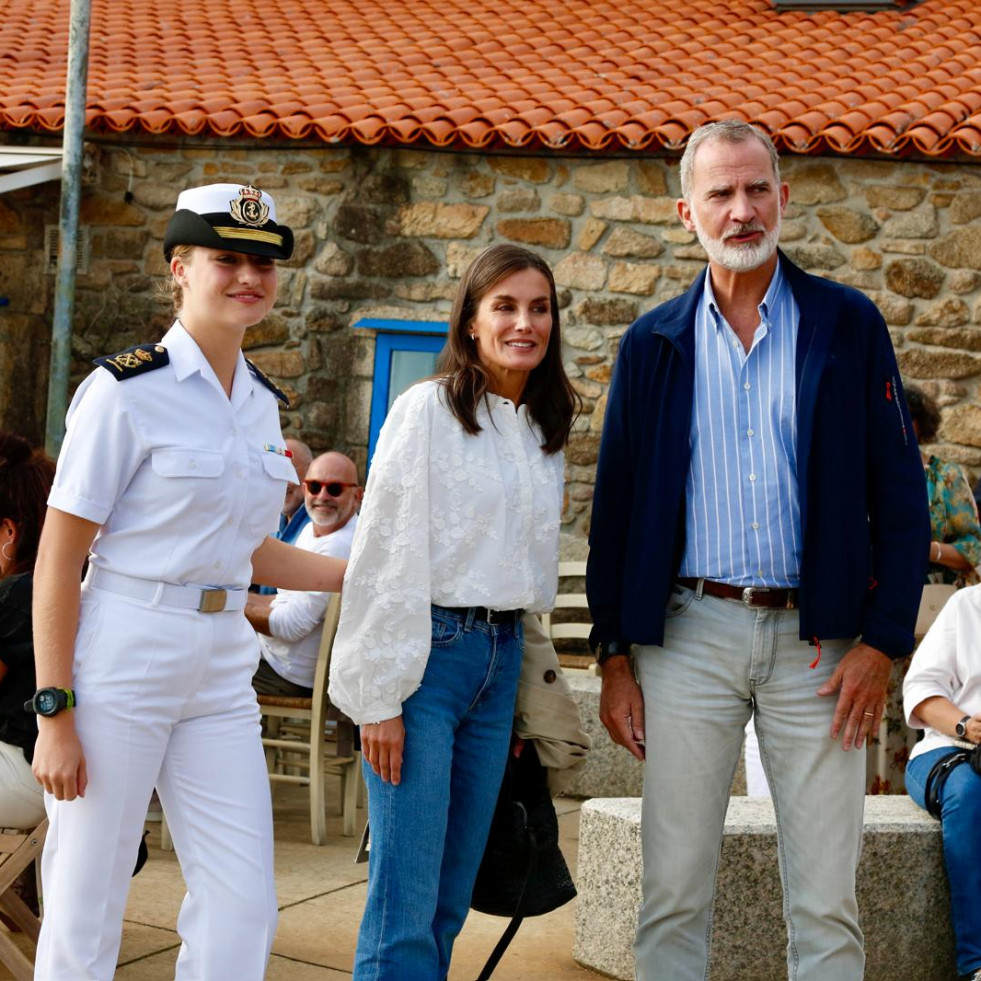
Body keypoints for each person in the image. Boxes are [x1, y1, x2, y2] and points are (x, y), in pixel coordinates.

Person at [587, 120, 929, 981]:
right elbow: (615, 510)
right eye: (719, 195)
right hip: (686, 638)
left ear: (782, 196)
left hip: (820, 649)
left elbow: (898, 493)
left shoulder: (847, 324)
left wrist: (882, 642)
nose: (740, 211)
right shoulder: (651, 343)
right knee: (671, 889)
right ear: (685, 212)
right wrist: (614, 656)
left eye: (755, 189)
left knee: (824, 897)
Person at [30, 183, 347, 981]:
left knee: (243, 898)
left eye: (263, 263)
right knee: (87, 892)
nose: (249, 276)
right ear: (179, 267)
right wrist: (53, 710)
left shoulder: (259, 405)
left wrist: (366, 575)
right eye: (226, 259)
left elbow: (243, 553)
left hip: (218, 659)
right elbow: (59, 558)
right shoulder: (123, 391)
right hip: (125, 649)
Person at [329, 243, 577, 980]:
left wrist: (522, 701)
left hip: (498, 667)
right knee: (403, 898)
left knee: (450, 896)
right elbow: (383, 553)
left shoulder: (541, 428)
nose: (523, 323)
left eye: (538, 308)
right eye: (503, 306)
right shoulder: (427, 410)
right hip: (424, 660)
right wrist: (378, 698)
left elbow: (526, 575)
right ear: (470, 321)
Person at [869, 383, 981, 793]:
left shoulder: (945, 476)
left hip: (932, 615)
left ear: (919, 425)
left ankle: (921, 783)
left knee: (923, 698)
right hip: (874, 608)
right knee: (881, 709)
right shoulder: (865, 473)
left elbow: (973, 545)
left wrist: (928, 549)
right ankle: (881, 793)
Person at [904, 585, 981, 981]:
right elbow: (920, 690)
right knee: (970, 794)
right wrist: (967, 725)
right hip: (952, 746)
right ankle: (976, 963)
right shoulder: (967, 605)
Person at [248, 451, 361, 697]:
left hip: (286, 673)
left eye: (334, 489)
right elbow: (285, 600)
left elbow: (290, 626)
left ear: (357, 496)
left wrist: (230, 604)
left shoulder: (337, 545)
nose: (322, 496)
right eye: (314, 486)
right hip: (273, 657)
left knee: (198, 670)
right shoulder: (314, 529)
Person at [0, 433, 54, 831]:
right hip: (53, 773)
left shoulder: (20, 592)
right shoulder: (70, 581)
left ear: (8, 532)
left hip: (24, 773)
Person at [254, 437, 313, 596]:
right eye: (275, 473)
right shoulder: (270, 520)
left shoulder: (317, 525)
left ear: (310, 472)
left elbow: (295, 603)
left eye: (288, 471)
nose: (281, 482)